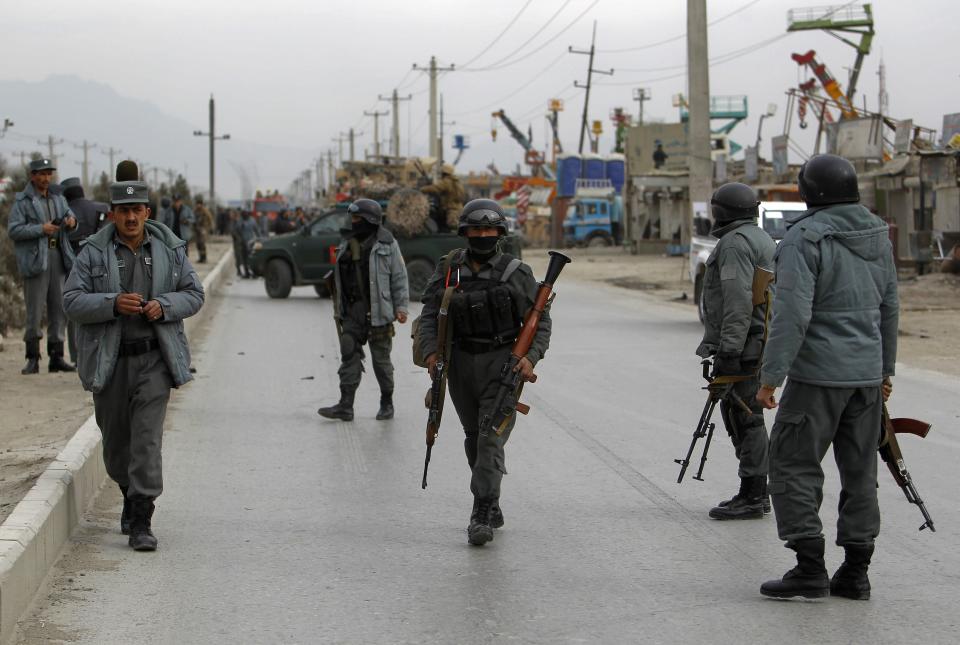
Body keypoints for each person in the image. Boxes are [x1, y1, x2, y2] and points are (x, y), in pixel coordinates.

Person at [756, 154, 899, 600]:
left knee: (791, 464)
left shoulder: (804, 238)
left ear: (810, 191)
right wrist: (885, 370)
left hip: (817, 378)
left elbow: (792, 314)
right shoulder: (878, 234)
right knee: (861, 472)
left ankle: (810, 567)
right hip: (866, 379)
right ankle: (856, 573)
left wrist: (770, 378)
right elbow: (890, 306)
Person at [63, 179, 204, 551]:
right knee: (117, 445)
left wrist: (166, 305)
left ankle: (142, 517)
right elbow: (72, 300)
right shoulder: (93, 252)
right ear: (113, 213)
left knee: (146, 440)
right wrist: (111, 304)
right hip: (109, 362)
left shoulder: (169, 249)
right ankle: (128, 492)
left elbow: (194, 293)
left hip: (153, 360)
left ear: (147, 213)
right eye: (123, 210)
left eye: (136, 210)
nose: (130, 217)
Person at [417, 199, 551, 546]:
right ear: (465, 232)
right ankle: (492, 500)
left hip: (501, 362)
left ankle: (481, 509)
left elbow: (539, 321)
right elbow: (430, 313)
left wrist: (530, 358)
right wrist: (430, 352)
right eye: (475, 229)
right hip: (460, 364)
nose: (482, 235)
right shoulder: (449, 268)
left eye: (488, 229)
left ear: (499, 233)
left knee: (491, 437)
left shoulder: (515, 273)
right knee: (474, 438)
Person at [695, 182, 776, 520]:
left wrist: (728, 349)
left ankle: (754, 494)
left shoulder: (734, 244)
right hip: (758, 339)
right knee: (743, 414)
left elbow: (737, 300)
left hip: (744, 344)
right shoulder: (760, 238)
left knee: (744, 416)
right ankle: (755, 491)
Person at [318, 199, 409, 422]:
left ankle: (387, 402)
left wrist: (401, 307)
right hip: (353, 312)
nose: (354, 222)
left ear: (370, 220)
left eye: (358, 218)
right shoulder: (348, 243)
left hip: (380, 313)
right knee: (349, 355)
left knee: (381, 363)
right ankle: (345, 406)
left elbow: (399, 277)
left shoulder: (387, 244)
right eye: (353, 218)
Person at [6, 158, 78, 374]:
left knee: (59, 309)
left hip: (58, 256)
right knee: (34, 310)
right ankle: (32, 356)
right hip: (37, 259)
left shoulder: (58, 198)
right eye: (42, 174)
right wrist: (40, 229)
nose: (46, 178)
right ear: (33, 175)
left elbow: (71, 217)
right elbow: (14, 230)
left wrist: (71, 222)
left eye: (49, 174)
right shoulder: (23, 201)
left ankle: (56, 356)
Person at [61, 177, 109, 364]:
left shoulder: (67, 212)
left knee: (76, 308)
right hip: (101, 262)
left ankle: (77, 355)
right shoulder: (100, 208)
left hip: (74, 264)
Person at [420, 164, 465, 232]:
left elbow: (435, 188)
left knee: (450, 230)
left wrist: (421, 189)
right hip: (457, 209)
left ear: (444, 173)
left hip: (450, 210)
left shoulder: (446, 181)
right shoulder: (456, 182)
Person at [231, 210, 260, 278]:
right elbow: (235, 231)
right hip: (242, 243)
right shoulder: (239, 221)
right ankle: (246, 273)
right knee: (244, 258)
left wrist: (259, 239)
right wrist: (239, 239)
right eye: (243, 214)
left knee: (252, 258)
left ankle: (254, 272)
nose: (244, 215)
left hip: (251, 242)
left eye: (246, 214)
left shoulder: (252, 221)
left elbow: (257, 230)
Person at [192, 195, 214, 263]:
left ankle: (204, 258)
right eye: (197, 204)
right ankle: (200, 257)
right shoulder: (195, 211)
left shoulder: (205, 211)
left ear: (201, 204)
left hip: (203, 229)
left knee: (202, 243)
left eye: (199, 204)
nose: (198, 205)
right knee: (198, 244)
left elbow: (210, 219)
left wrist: (211, 228)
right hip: (196, 229)